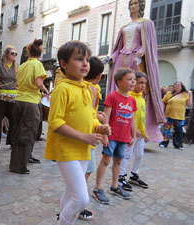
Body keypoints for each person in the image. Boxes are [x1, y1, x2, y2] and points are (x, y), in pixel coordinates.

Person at [44, 41, 111, 225]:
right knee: (81, 199)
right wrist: (84, 136)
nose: (85, 64)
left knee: (70, 193)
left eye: (87, 60)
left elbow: (90, 117)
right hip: (67, 150)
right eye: (79, 59)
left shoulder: (86, 89)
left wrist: (99, 127)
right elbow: (55, 122)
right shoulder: (62, 89)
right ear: (64, 64)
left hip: (82, 149)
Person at [107, 0, 164, 142]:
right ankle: (116, 126)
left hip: (136, 61)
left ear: (141, 5)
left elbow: (150, 44)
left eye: (136, 3)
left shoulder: (146, 23)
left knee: (136, 92)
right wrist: (112, 57)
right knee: (119, 91)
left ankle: (137, 128)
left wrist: (144, 49)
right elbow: (118, 46)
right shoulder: (124, 26)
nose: (133, 6)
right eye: (131, 4)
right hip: (122, 59)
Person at [93, 68, 137, 204]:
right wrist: (105, 135)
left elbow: (132, 119)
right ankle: (97, 188)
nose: (133, 81)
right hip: (112, 136)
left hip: (123, 137)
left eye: (134, 79)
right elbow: (106, 117)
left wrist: (133, 135)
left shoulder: (132, 100)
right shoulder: (112, 97)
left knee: (118, 161)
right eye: (129, 79)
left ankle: (115, 186)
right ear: (119, 82)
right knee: (106, 160)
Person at [9, 39, 49, 174]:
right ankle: (19, 165)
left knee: (20, 132)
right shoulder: (37, 64)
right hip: (30, 103)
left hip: (19, 101)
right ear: (40, 53)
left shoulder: (22, 66)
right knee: (28, 133)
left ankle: (25, 158)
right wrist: (45, 90)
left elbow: (18, 84)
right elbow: (38, 83)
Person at [78, 56, 106, 221]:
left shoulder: (83, 86)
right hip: (88, 136)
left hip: (85, 133)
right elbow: (89, 113)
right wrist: (101, 120)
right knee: (86, 170)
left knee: (86, 169)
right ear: (99, 76)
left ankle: (76, 197)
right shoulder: (93, 89)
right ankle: (78, 203)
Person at [118, 71, 149, 192]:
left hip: (140, 134)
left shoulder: (142, 99)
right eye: (140, 82)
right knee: (126, 155)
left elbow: (142, 117)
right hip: (130, 133)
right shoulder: (128, 97)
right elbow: (126, 116)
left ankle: (134, 174)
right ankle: (120, 177)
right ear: (133, 82)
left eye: (144, 83)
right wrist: (133, 131)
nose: (143, 86)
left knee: (139, 155)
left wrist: (145, 132)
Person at [159, 81, 193, 150]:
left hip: (179, 116)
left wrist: (190, 94)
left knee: (178, 131)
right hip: (168, 115)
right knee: (167, 130)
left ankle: (178, 145)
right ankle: (164, 143)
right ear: (174, 86)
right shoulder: (169, 93)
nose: (177, 86)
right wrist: (162, 111)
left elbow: (189, 105)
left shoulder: (185, 94)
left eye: (179, 85)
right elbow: (164, 102)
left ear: (182, 87)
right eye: (176, 85)